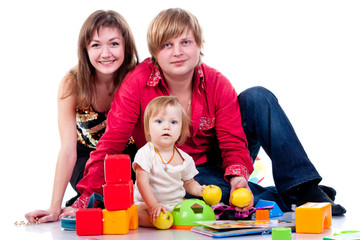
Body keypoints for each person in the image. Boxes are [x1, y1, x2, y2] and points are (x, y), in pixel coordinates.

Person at [71, 8, 345, 216]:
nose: (177, 52)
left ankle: (303, 187)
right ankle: (283, 198)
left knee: (257, 97)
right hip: (177, 167)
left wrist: (238, 176)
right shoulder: (136, 83)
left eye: (185, 42)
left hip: (216, 160)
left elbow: (233, 140)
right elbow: (112, 142)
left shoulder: (217, 83)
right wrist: (85, 198)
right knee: (198, 199)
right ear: (155, 51)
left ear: (199, 45)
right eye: (167, 45)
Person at [25, 10, 139, 223]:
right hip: (87, 159)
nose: (105, 53)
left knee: (129, 188)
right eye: (96, 45)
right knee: (108, 190)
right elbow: (68, 150)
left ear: (126, 46)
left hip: (128, 159)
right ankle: (88, 200)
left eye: (113, 44)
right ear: (85, 50)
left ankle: (91, 201)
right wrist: (53, 207)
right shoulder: (72, 83)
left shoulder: (136, 78)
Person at [134, 96, 204, 227]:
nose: (166, 127)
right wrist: (154, 204)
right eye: (159, 121)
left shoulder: (185, 158)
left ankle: (174, 219)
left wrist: (200, 190)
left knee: (196, 207)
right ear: (148, 128)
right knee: (140, 212)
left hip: (175, 204)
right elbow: (142, 182)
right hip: (148, 204)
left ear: (181, 129)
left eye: (173, 122)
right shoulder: (146, 153)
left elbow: (189, 183)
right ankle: (165, 220)